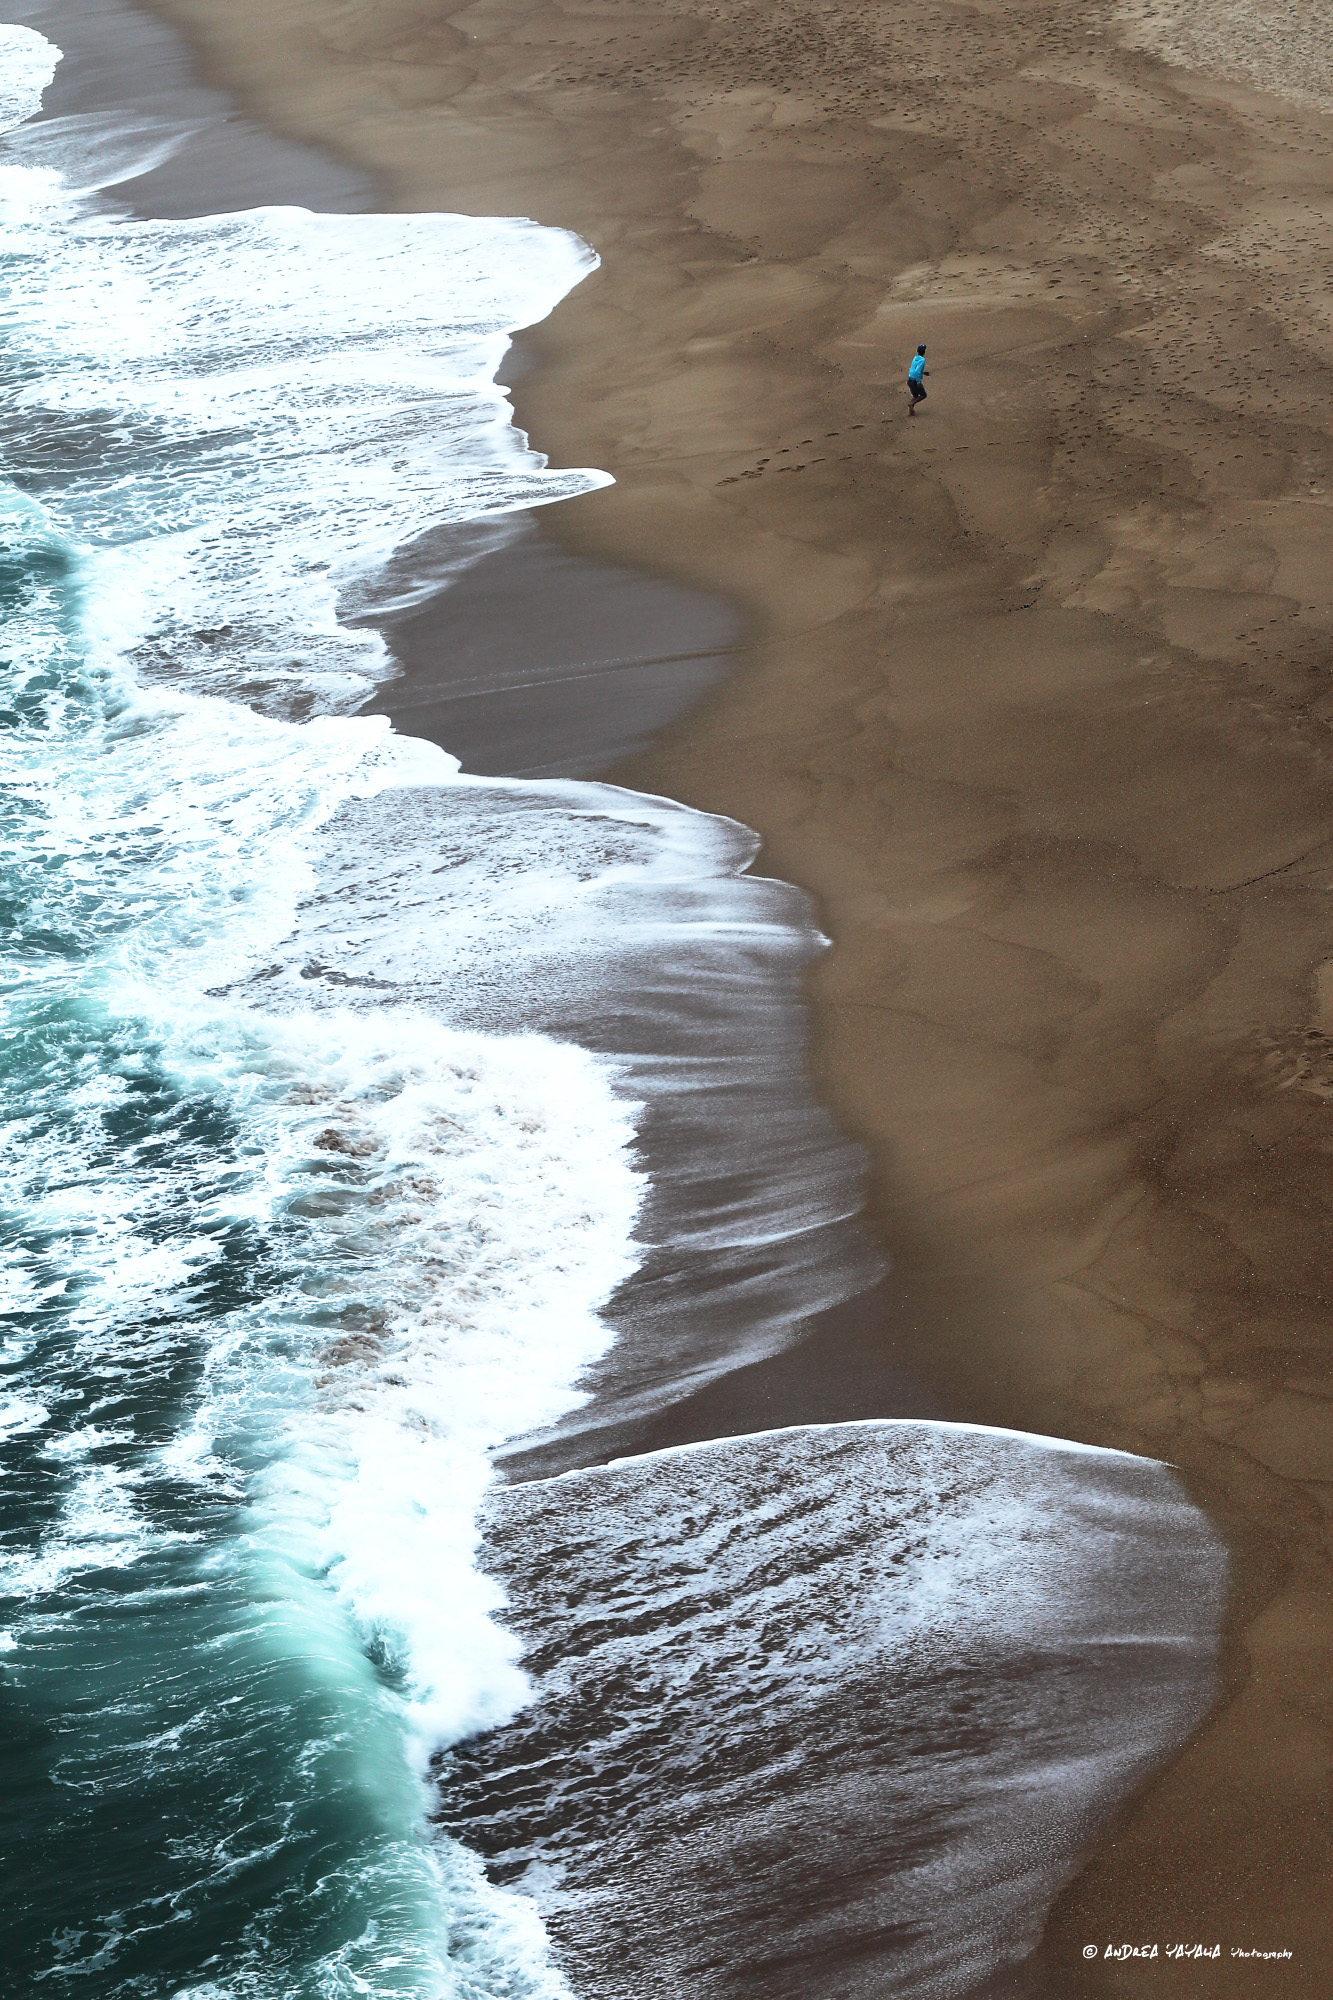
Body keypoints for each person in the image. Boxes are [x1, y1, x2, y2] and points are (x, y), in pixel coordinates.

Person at [908, 344, 929, 412]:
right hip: (915, 381)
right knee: (923, 395)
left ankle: (911, 411)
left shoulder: (915, 357)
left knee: (915, 396)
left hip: (910, 379)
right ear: (924, 352)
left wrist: (923, 373)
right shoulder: (922, 360)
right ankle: (911, 403)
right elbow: (917, 371)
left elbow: (914, 369)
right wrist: (918, 382)